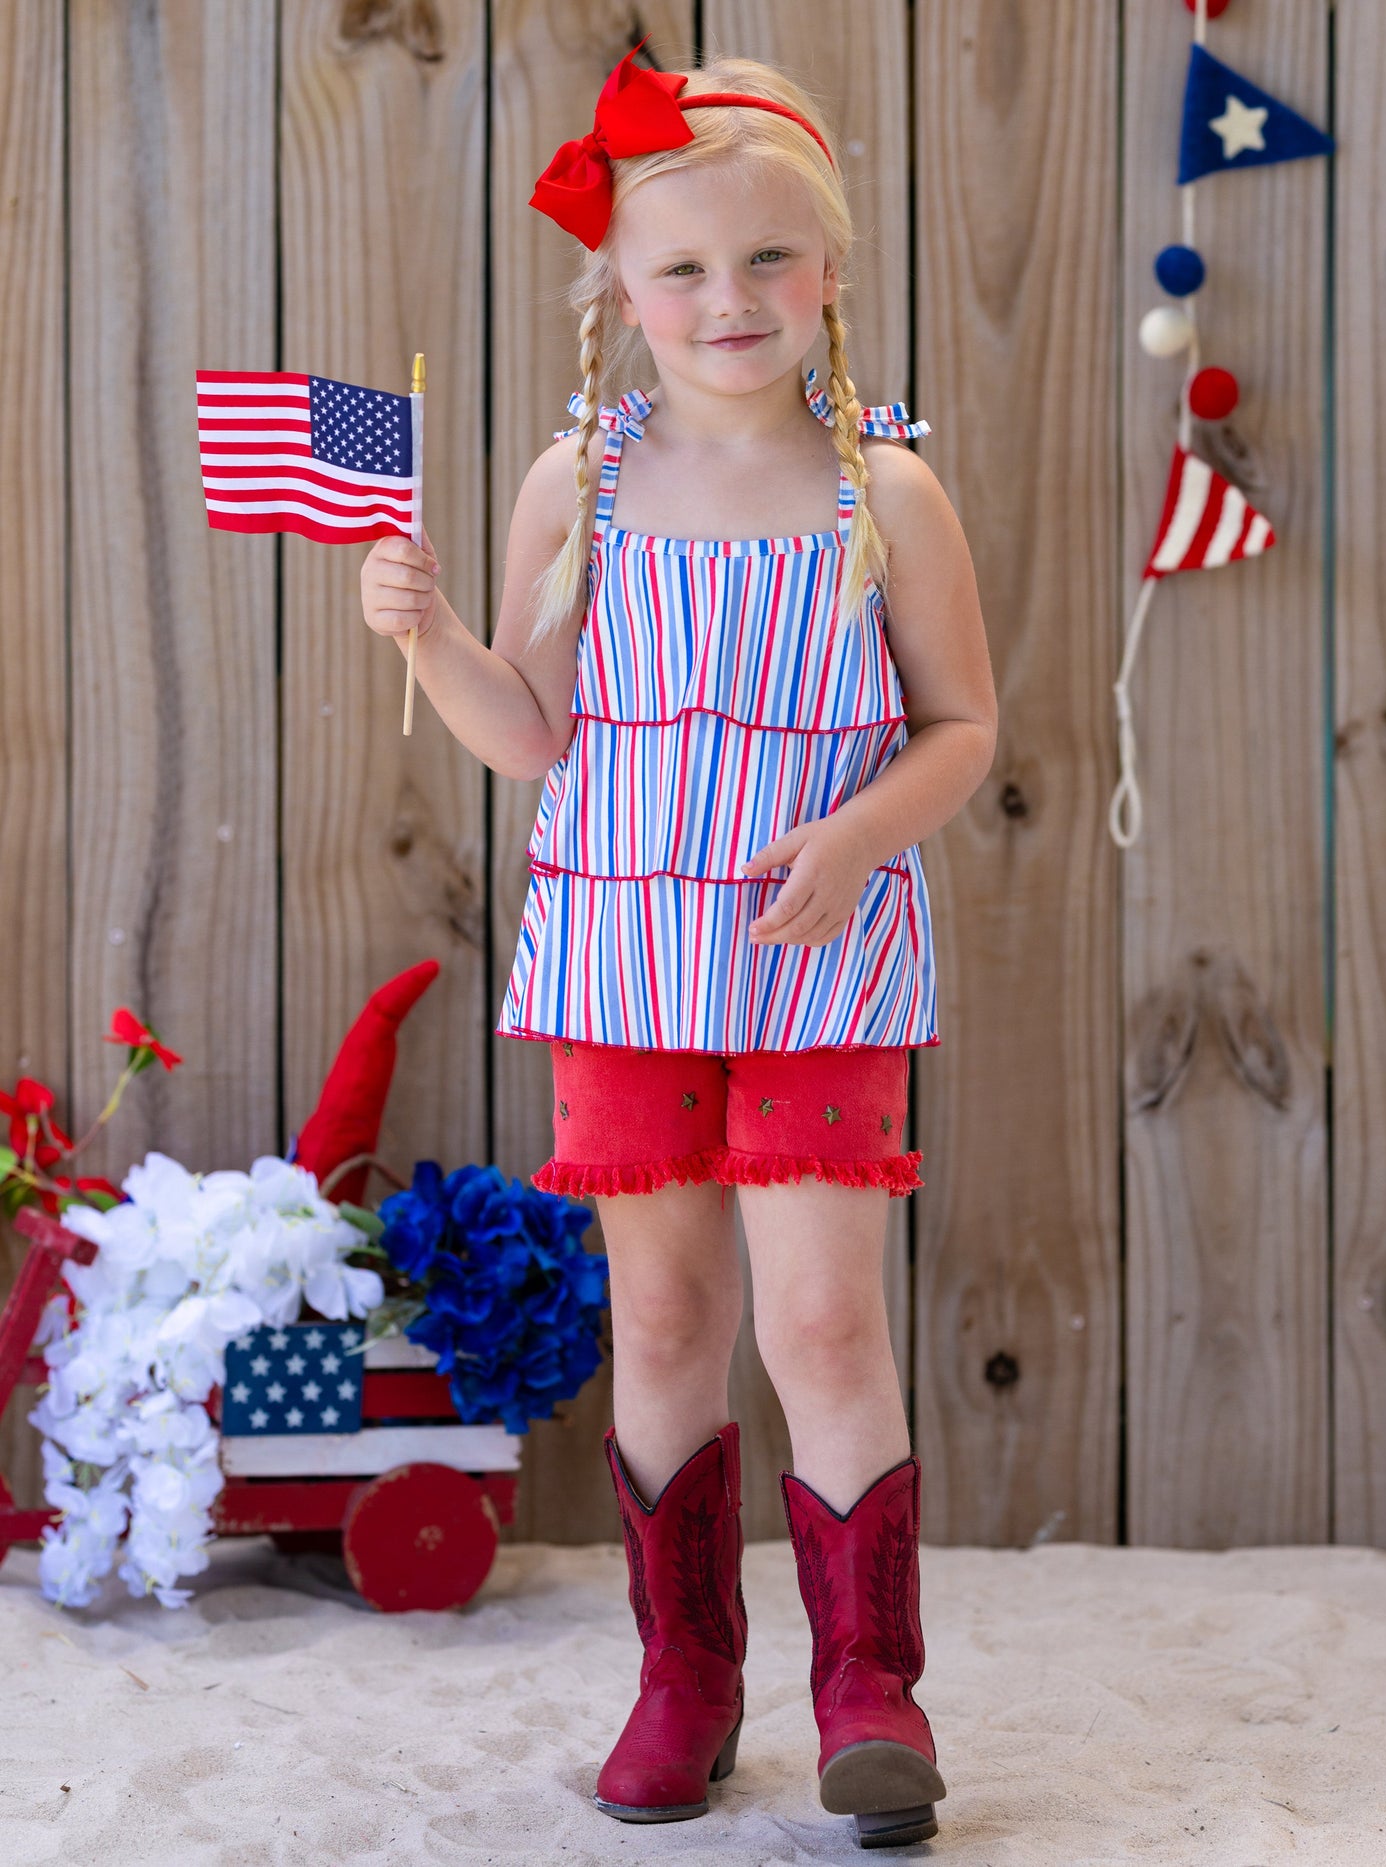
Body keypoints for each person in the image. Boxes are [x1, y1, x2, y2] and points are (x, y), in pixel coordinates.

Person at [361, 37, 996, 1851]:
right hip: (623, 965)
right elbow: (533, 734)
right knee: (662, 1315)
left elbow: (963, 729)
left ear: (833, 266)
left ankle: (870, 1687)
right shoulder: (580, 483)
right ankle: (684, 1680)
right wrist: (427, 638)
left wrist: (855, 835)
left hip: (817, 964)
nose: (731, 299)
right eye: (686, 267)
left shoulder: (888, 494)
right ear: (620, 289)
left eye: (769, 257)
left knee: (822, 1315)